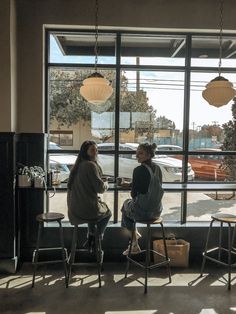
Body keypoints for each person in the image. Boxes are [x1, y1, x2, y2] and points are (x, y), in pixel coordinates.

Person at [67, 140, 111, 251]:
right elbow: (100, 189)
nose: (96, 152)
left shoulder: (77, 166)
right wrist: (106, 184)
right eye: (92, 150)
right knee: (108, 212)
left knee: (94, 207)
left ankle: (91, 235)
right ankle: (96, 237)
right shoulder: (90, 165)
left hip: (73, 211)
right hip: (87, 211)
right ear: (85, 152)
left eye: (96, 150)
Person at [121, 143, 164, 255]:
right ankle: (134, 237)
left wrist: (132, 186)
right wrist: (133, 184)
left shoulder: (138, 170)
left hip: (143, 213)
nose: (137, 155)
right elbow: (152, 186)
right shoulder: (157, 169)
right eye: (137, 152)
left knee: (125, 206)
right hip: (156, 212)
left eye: (140, 153)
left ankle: (134, 240)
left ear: (149, 155)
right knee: (129, 206)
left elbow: (133, 195)